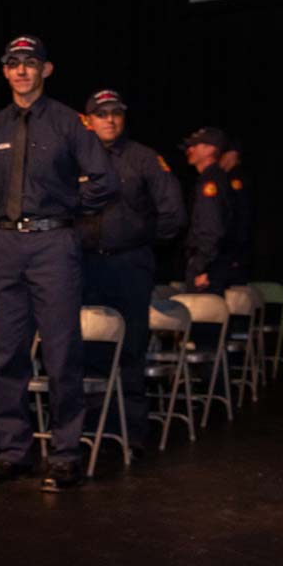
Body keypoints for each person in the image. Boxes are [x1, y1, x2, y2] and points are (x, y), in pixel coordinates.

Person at [0, 34, 118, 491]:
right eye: (14, 63)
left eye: (30, 62)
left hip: (54, 244)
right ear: (5, 71)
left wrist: (66, 206)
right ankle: (13, 452)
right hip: (6, 245)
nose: (22, 70)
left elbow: (104, 180)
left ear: (46, 69)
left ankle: (65, 454)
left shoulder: (68, 122)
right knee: (7, 351)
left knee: (61, 351)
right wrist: (0, 212)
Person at [78, 89, 186, 455]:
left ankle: (131, 432)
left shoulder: (144, 158)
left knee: (131, 346)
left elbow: (173, 212)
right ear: (88, 120)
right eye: (102, 113)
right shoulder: (74, 158)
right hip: (85, 264)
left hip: (129, 264)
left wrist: (139, 241)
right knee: (89, 346)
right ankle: (91, 430)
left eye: (116, 113)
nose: (110, 119)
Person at [181, 126, 234, 295]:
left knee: (201, 310)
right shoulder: (215, 178)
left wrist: (201, 266)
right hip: (213, 263)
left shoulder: (210, 182)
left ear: (210, 149)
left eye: (195, 145)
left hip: (207, 268)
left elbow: (211, 227)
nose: (190, 150)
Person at [219, 139, 252, 285]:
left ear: (233, 154)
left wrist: (236, 254)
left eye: (223, 153)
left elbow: (242, 217)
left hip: (234, 251)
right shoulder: (224, 177)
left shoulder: (236, 178)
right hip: (228, 250)